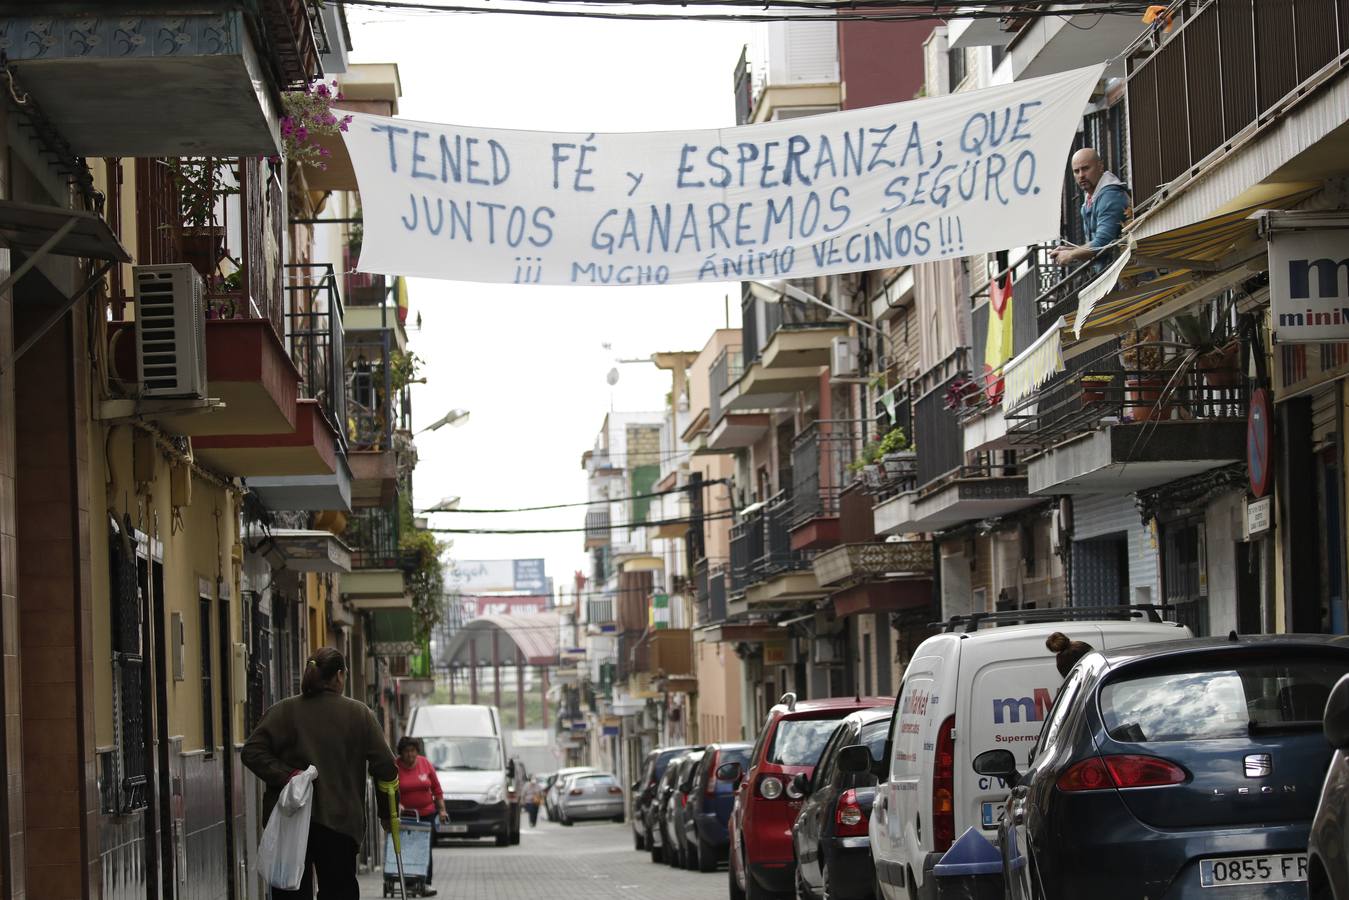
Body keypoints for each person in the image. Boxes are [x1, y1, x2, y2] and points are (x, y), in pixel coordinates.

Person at [242, 648, 398, 900]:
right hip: (339, 823)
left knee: (290, 892)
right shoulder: (359, 715)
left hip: (290, 820)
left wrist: (289, 775)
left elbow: (251, 752)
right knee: (339, 892)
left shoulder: (283, 711)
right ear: (338, 676)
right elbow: (387, 768)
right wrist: (388, 815)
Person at [1048, 148, 1131, 269]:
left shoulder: (1110, 195)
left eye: (1086, 168)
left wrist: (1071, 254)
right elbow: (1099, 245)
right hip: (1113, 274)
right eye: (1076, 171)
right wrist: (1071, 250)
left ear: (1100, 166)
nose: (1081, 175)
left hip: (1127, 275)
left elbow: (1103, 243)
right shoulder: (1091, 199)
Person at [396, 736, 448, 895]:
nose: (410, 755)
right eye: (406, 752)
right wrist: (397, 803)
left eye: (413, 751)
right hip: (406, 816)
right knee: (407, 849)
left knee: (425, 849)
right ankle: (410, 882)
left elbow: (437, 789)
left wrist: (442, 810)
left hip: (427, 814)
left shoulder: (425, 763)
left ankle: (425, 882)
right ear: (401, 753)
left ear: (417, 752)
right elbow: (391, 789)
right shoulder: (395, 766)